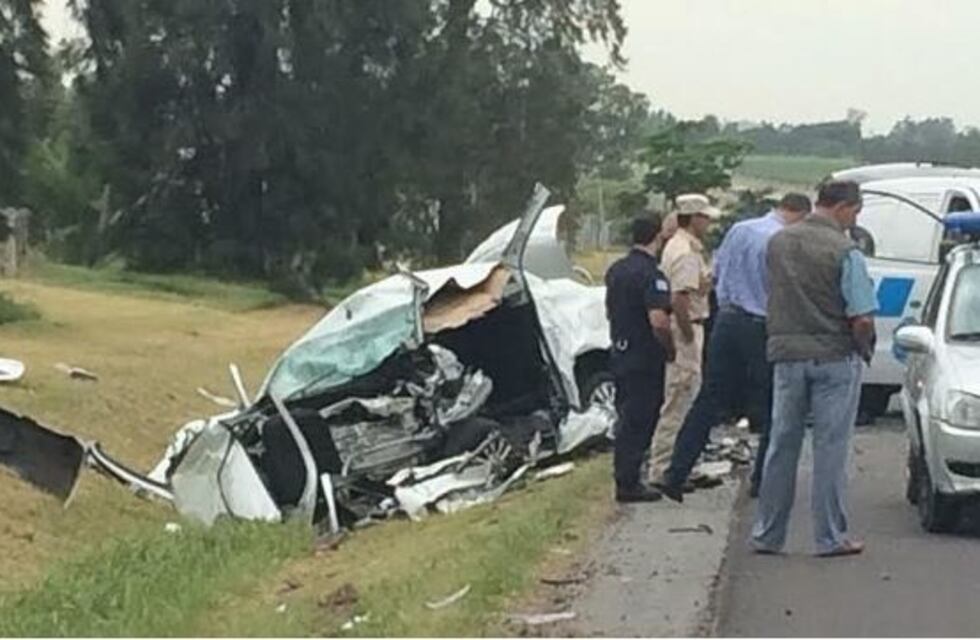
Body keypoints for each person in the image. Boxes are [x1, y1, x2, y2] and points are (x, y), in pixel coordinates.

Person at [653, 193, 812, 502]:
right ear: (800, 214)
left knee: (709, 399)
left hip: (727, 321)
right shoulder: (784, 240)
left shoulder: (740, 229)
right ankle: (763, 479)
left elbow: (715, 274)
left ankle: (676, 472)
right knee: (772, 403)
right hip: (761, 324)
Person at [751, 180, 876, 557]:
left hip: (787, 354)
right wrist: (864, 347)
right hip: (834, 356)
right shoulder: (845, 250)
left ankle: (768, 533)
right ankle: (829, 537)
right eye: (855, 212)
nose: (854, 219)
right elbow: (861, 315)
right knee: (830, 449)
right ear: (843, 207)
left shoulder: (778, 242)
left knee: (781, 445)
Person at [647, 194, 718, 484]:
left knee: (682, 396)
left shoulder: (678, 246)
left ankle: (675, 463)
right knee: (681, 398)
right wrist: (688, 336)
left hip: (687, 326)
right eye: (706, 217)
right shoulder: (686, 252)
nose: (709, 223)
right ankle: (664, 467)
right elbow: (679, 298)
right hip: (687, 327)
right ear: (695, 218)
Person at [605, 216, 676, 503]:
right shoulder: (653, 276)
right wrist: (670, 348)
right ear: (657, 237)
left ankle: (626, 475)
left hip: (620, 350)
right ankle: (629, 482)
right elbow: (658, 320)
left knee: (626, 415)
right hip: (645, 356)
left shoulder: (616, 270)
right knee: (642, 417)